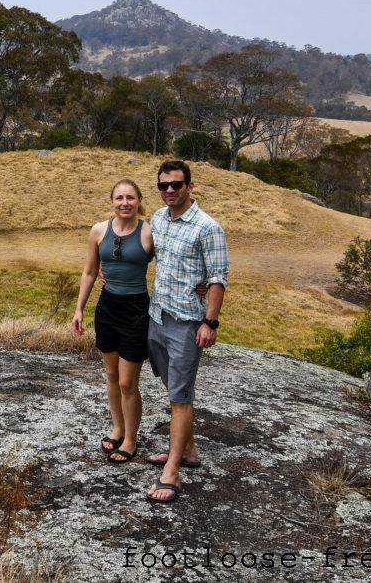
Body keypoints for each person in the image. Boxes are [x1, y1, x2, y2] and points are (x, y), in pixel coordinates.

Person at [145, 160, 229, 504]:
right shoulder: (158, 219)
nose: (169, 191)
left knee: (180, 396)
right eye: (163, 185)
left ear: (190, 187)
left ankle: (172, 473)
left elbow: (218, 277)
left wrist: (209, 322)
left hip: (187, 323)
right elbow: (148, 255)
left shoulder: (208, 228)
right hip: (157, 316)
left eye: (176, 185)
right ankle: (189, 449)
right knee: (170, 385)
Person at [72, 179, 152, 464]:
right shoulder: (98, 230)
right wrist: (79, 308)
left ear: (139, 200)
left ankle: (131, 439)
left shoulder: (149, 233)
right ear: (112, 201)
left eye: (130, 198)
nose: (125, 203)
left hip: (137, 310)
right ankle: (118, 428)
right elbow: (90, 271)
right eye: (119, 198)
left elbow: (170, 265)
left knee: (128, 382)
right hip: (107, 308)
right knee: (111, 376)